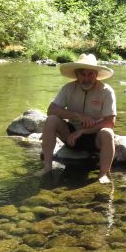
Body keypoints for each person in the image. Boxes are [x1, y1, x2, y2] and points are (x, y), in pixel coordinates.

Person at [40, 53, 117, 183]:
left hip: (95, 136)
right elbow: (51, 110)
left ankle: (104, 173)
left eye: (90, 74)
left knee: (108, 133)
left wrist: (82, 131)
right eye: (82, 74)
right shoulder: (68, 88)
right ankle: (47, 167)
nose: (86, 78)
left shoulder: (106, 91)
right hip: (71, 137)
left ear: (96, 74)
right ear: (76, 75)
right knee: (52, 119)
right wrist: (76, 116)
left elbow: (110, 122)